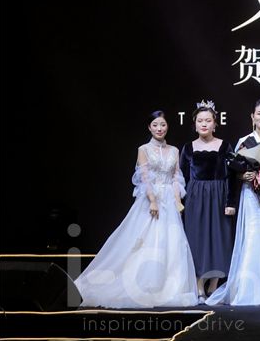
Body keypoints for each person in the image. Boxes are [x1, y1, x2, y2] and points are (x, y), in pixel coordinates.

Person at [74, 111, 198, 308]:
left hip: (169, 200)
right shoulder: (144, 149)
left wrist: (177, 201)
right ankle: (140, 284)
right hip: (150, 200)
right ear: (149, 127)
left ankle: (168, 287)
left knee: (172, 242)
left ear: (167, 126)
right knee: (143, 239)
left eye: (163, 125)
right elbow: (144, 176)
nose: (159, 129)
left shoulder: (174, 150)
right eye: (155, 125)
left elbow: (176, 177)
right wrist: (152, 200)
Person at [207, 98, 260, 306]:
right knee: (252, 240)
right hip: (251, 196)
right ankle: (248, 290)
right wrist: (243, 175)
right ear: (252, 117)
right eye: (259, 114)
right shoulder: (244, 141)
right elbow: (235, 169)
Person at [180, 100, 236, 304]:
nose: (204, 124)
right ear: (195, 124)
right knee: (197, 239)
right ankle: (198, 284)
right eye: (200, 121)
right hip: (195, 197)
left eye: (208, 120)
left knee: (219, 238)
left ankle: (214, 284)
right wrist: (180, 202)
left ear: (215, 124)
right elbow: (181, 178)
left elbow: (232, 176)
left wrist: (230, 202)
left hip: (219, 195)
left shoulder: (225, 146)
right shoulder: (188, 148)